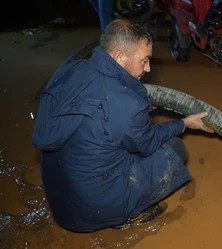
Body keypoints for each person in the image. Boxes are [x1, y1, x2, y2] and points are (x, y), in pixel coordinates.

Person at [31, 18, 210, 232]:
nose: (148, 67)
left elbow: (99, 108)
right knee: (175, 148)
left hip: (63, 203)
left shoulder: (71, 69)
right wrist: (184, 123)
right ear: (119, 56)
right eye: (144, 61)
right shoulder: (128, 107)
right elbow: (148, 143)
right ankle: (124, 216)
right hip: (94, 210)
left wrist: (132, 108)